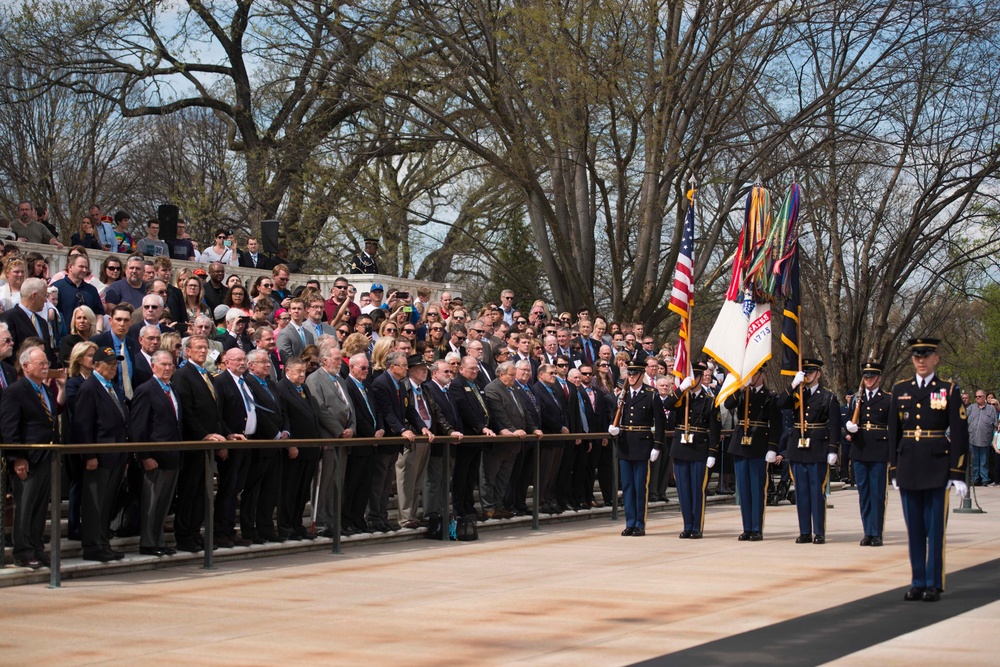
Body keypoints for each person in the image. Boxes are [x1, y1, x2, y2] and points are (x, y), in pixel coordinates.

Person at [889, 338, 969, 602]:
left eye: (926, 356)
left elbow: (959, 433)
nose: (921, 361)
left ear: (936, 358)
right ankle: (917, 581)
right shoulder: (901, 389)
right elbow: (894, 433)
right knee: (914, 530)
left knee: (935, 529)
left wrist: (957, 473)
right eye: (916, 357)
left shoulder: (948, 389)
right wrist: (893, 469)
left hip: (937, 466)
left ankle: (934, 583)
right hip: (909, 465)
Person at [0, 347, 62, 568]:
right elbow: (10, 428)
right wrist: (17, 457)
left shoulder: (44, 390)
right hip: (28, 458)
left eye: (46, 363)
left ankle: (36, 546)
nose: (45, 366)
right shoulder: (15, 391)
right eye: (40, 363)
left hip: (47, 455)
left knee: (38, 507)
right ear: (26, 366)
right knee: (24, 506)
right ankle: (23, 551)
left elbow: (50, 418)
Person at [772, 357, 841, 544]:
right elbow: (780, 404)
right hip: (797, 449)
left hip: (818, 448)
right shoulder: (796, 394)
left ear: (818, 374)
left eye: (810, 372)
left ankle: (818, 531)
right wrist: (793, 384)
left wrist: (833, 449)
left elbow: (834, 426)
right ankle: (804, 531)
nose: (807, 376)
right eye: (805, 373)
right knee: (801, 491)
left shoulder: (828, 396)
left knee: (816, 491)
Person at [71, 345, 130, 562]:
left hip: (115, 454)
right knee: (94, 503)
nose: (114, 368)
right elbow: (83, 425)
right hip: (100, 456)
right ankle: (92, 545)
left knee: (106, 503)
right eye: (110, 364)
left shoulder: (110, 386)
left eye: (116, 364)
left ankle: (103, 541)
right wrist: (89, 455)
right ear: (96, 365)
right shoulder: (90, 388)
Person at [171, 335, 228, 552]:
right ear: (188, 352)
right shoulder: (183, 375)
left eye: (205, 347)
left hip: (209, 444)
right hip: (194, 443)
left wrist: (221, 436)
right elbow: (187, 410)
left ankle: (195, 532)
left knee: (201, 492)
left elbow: (216, 411)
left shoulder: (207, 375)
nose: (203, 351)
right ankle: (184, 534)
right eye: (198, 348)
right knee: (189, 490)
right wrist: (204, 435)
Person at [130, 351, 183, 558]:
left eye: (170, 365)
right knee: (151, 503)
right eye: (163, 364)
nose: (168, 368)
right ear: (153, 367)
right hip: (155, 458)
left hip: (172, 456)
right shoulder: (146, 390)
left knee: (163, 504)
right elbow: (139, 426)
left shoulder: (173, 389)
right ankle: (148, 542)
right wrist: (144, 455)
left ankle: (159, 540)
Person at [608, 360, 666, 537]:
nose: (631, 377)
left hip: (642, 445)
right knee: (627, 486)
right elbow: (617, 415)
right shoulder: (623, 394)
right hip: (625, 444)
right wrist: (614, 428)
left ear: (642, 375)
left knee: (640, 486)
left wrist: (657, 445)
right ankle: (630, 522)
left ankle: (639, 523)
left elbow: (660, 422)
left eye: (634, 374)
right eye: (629, 374)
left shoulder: (651, 394)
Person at [723, 365, 780, 541]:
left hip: (758, 445)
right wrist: (739, 388)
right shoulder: (741, 393)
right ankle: (746, 527)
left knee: (756, 489)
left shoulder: (770, 397)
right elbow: (728, 404)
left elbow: (776, 426)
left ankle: (756, 528)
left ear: (762, 375)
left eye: (755, 373)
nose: (751, 376)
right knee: (744, 489)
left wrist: (772, 447)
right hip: (740, 444)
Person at [306, 345, 356, 537]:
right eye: (336, 359)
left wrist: (352, 427)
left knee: (337, 482)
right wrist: (338, 430)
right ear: (324, 360)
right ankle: (319, 522)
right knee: (324, 482)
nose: (339, 362)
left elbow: (349, 406)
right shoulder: (314, 379)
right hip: (328, 437)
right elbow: (320, 408)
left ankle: (333, 521)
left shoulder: (339, 380)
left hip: (343, 439)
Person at [241, 348, 290, 543]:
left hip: (276, 445)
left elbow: (282, 410)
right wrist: (275, 434)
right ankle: (249, 529)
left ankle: (266, 528)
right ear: (251, 365)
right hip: (261, 444)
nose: (268, 365)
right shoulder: (248, 383)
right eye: (263, 362)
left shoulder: (271, 384)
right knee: (254, 490)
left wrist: (286, 430)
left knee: (271, 490)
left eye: (268, 362)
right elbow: (258, 413)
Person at [667, 361, 721, 538]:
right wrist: (680, 389)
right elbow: (667, 404)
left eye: (695, 377)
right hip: (681, 448)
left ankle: (697, 526)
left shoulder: (709, 401)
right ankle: (687, 525)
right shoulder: (680, 398)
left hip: (699, 448)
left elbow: (715, 428)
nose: (692, 380)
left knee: (698, 490)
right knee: (683, 490)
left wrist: (712, 452)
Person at [843, 360, 892, 546]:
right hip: (860, 450)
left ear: (879, 378)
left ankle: (877, 532)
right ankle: (867, 532)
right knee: (864, 493)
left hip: (879, 450)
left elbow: (893, 426)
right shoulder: (857, 399)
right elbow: (849, 420)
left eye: (872, 376)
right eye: (866, 376)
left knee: (877, 493)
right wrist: (849, 428)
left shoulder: (887, 399)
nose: (869, 379)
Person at [395, 355, 446, 529]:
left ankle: (413, 514)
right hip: (411, 439)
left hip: (426, 437)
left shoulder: (425, 389)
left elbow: (436, 412)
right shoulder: (404, 386)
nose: (425, 371)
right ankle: (405, 516)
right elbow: (403, 412)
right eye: (421, 369)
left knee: (417, 480)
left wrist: (450, 430)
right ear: (411, 370)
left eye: (426, 369)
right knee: (406, 479)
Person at [212, 348, 254, 547]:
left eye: (244, 359)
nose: (242, 363)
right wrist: (226, 437)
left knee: (236, 488)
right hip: (231, 442)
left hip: (247, 442)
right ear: (226, 362)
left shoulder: (244, 382)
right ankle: (221, 531)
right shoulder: (220, 382)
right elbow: (218, 414)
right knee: (227, 489)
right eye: (237, 360)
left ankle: (230, 529)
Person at [341, 352, 382, 535]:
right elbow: (355, 413)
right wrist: (371, 433)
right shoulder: (347, 385)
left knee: (365, 484)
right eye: (362, 368)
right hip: (359, 443)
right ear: (352, 367)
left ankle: (358, 518)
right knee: (353, 483)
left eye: (368, 368)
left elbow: (376, 409)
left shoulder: (367, 385)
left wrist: (380, 428)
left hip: (372, 442)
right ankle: (347, 519)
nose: (366, 371)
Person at [0, 277, 58, 366]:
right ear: (34, 295)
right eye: (44, 296)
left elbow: (47, 351)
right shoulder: (9, 318)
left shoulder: (42, 322)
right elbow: (9, 352)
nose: (46, 300)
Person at [51, 254, 103, 329]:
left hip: (86, 338)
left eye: (86, 267)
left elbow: (99, 314)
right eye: (81, 267)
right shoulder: (56, 287)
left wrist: (98, 332)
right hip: (64, 337)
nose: (84, 270)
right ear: (70, 266)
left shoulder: (92, 290)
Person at [965, 387, 997, 486]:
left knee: (984, 462)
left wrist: (994, 440)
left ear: (984, 397)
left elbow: (995, 425)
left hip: (985, 440)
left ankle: (984, 479)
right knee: (974, 462)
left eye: (979, 396)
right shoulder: (971, 408)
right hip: (972, 439)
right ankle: (975, 479)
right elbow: (963, 420)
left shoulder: (991, 409)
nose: (977, 398)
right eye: (976, 396)